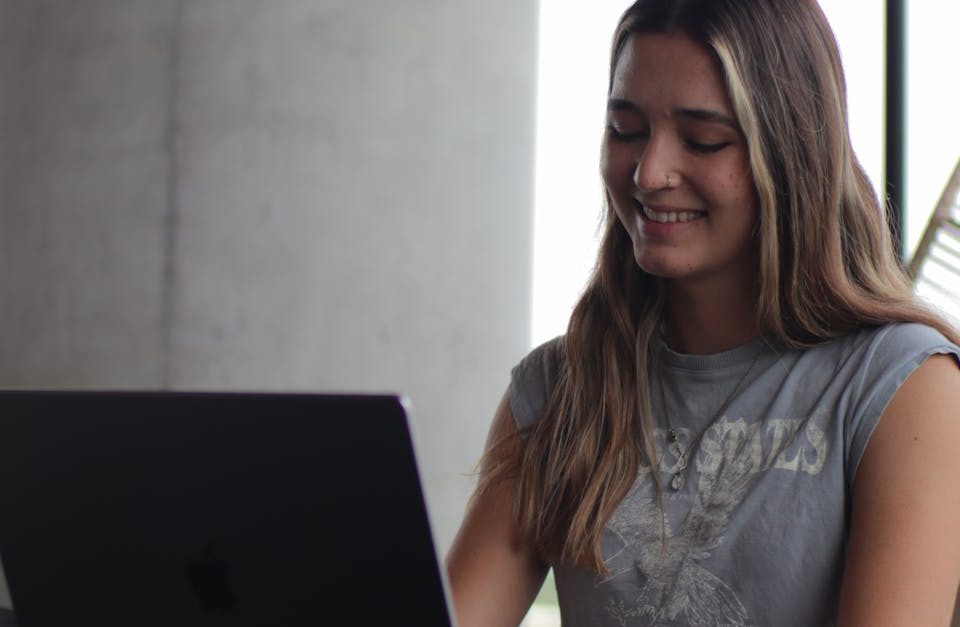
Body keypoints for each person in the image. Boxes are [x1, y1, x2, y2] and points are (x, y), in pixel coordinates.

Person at [446, 0, 960, 625]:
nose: (649, 172)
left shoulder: (904, 388)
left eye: (702, 140)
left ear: (790, 155)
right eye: (626, 130)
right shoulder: (560, 390)